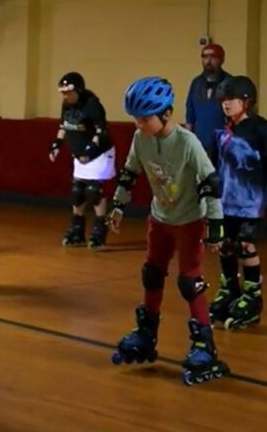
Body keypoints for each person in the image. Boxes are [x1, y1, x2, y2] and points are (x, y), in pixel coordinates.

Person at [106, 76, 230, 386]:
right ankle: (147, 332)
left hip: (189, 219)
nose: (139, 125)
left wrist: (215, 225)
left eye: (144, 119)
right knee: (152, 273)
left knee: (189, 280)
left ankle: (204, 343)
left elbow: (210, 183)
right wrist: (119, 205)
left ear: (166, 114)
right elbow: (130, 171)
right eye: (135, 119)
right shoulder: (141, 139)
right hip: (160, 217)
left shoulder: (187, 143)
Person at [206, 76, 267, 330]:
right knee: (225, 245)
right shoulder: (222, 131)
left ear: (246, 101)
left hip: (251, 203)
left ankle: (252, 297)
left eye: (230, 100)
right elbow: (214, 166)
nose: (226, 105)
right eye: (222, 101)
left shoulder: (260, 130)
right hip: (225, 201)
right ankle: (230, 289)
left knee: (246, 246)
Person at [50, 72, 115, 249]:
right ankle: (77, 229)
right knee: (78, 190)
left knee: (94, 190)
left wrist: (90, 150)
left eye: (69, 92)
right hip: (80, 155)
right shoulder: (66, 105)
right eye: (63, 93)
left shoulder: (92, 105)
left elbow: (101, 131)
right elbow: (63, 125)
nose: (66, 96)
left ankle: (99, 231)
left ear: (78, 90)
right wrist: (57, 143)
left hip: (99, 153)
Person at [186, 43, 233, 165]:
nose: (208, 61)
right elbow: (190, 113)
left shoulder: (230, 83)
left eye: (213, 57)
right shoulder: (196, 83)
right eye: (205, 57)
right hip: (200, 143)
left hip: (223, 145)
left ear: (221, 59)